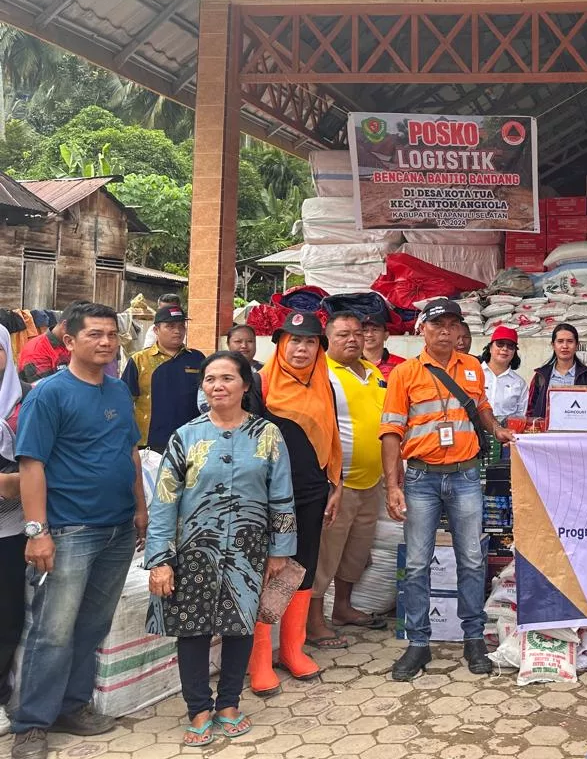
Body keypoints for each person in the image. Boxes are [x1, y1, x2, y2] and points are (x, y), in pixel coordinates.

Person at [12, 302, 147, 759]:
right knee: (52, 630)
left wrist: (141, 510)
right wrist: (37, 531)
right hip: (70, 530)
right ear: (69, 340)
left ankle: (73, 705)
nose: (106, 342)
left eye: (111, 334)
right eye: (95, 334)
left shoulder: (116, 392)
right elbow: (32, 465)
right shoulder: (49, 394)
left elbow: (130, 454)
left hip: (117, 529)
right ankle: (30, 724)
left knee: (92, 625)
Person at [144, 352, 296, 747]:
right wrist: (160, 559)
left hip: (247, 550)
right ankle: (197, 708)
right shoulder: (186, 436)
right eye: (210, 379)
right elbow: (164, 501)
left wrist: (280, 550)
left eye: (228, 378)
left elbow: (282, 496)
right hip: (194, 550)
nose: (218, 386)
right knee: (192, 629)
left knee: (239, 625)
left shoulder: (267, 435)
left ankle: (228, 704)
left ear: (246, 386)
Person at [380, 298, 514, 681]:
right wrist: (394, 486)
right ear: (422, 329)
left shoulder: (472, 367)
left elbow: (482, 407)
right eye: (437, 324)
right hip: (421, 479)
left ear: (459, 332)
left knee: (472, 560)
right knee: (419, 563)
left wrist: (497, 430)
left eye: (452, 325)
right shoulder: (404, 373)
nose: (445, 331)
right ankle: (418, 644)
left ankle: (474, 638)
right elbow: (390, 432)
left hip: (466, 476)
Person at [250, 310, 344, 697]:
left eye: (309, 342)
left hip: (312, 492)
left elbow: (334, 437)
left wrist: (335, 485)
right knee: (271, 569)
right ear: (280, 345)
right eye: (293, 341)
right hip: (270, 495)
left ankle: (292, 648)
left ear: (319, 349)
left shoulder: (325, 385)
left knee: (303, 566)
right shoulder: (260, 384)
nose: (301, 348)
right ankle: (258, 658)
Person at [308, 312, 388, 647]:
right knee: (326, 553)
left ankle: (342, 607)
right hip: (339, 482)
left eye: (358, 333)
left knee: (356, 551)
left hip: (372, 481)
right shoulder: (322, 373)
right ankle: (313, 623)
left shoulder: (372, 371)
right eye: (343, 334)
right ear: (328, 339)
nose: (353, 339)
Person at [122, 303, 205, 453]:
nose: (177, 331)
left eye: (181, 326)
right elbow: (124, 403)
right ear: (156, 330)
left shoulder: (197, 358)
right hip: (151, 443)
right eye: (170, 326)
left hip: (191, 440)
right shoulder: (139, 360)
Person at [0, 326, 30, 737]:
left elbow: (40, 465)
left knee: (7, 613)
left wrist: (7, 483)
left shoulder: (25, 403)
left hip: (10, 529)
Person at [525, 322, 587, 421]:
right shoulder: (540, 376)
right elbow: (531, 410)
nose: (565, 346)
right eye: (560, 341)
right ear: (553, 345)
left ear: (577, 345)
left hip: (578, 432)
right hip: (546, 434)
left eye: (570, 341)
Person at [480, 326, 527, 422]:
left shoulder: (519, 383)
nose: (505, 349)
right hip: (475, 433)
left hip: (506, 433)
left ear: (514, 352)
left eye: (510, 346)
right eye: (500, 344)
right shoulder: (475, 373)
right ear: (490, 348)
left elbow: (521, 416)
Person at [16, 312, 70, 383]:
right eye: (88, 334)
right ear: (65, 325)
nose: (89, 339)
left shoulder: (71, 344)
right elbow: (45, 390)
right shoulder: (36, 351)